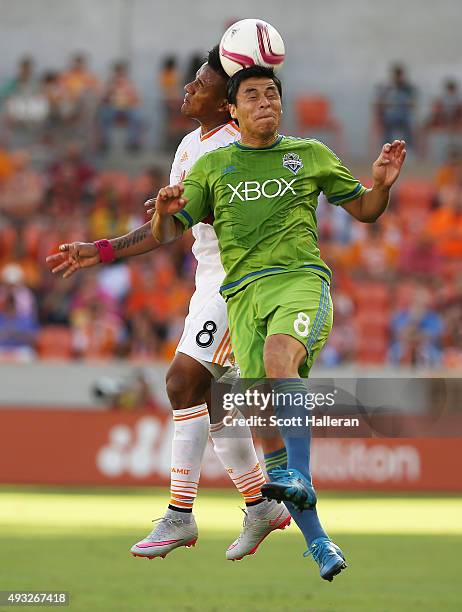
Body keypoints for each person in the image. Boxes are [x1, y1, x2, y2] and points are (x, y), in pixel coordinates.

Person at [151, 66, 406, 580]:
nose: (265, 101)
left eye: (272, 94)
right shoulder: (214, 165)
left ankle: (302, 480)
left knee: (275, 361)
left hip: (299, 282)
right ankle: (319, 543)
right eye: (253, 95)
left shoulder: (308, 154)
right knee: (259, 417)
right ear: (233, 109)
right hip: (243, 299)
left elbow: (365, 210)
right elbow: (168, 231)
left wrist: (379, 185)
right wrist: (163, 212)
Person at [46, 47, 290, 564]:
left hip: (240, 281)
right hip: (208, 277)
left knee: (183, 381)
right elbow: (169, 226)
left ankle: (180, 513)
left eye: (199, 84)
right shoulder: (188, 145)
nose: (187, 90)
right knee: (217, 403)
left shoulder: (240, 144)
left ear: (226, 102)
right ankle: (261, 502)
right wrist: (105, 249)